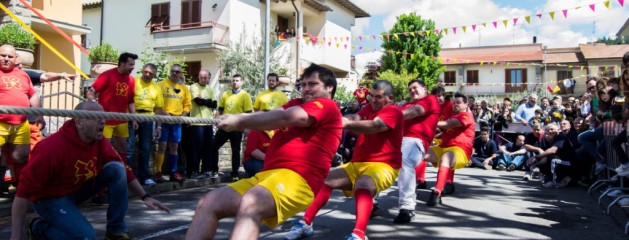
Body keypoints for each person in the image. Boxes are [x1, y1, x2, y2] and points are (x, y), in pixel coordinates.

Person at [185, 64, 342, 240]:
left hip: (299, 178)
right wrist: (236, 117)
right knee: (208, 203)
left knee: (251, 203)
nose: (305, 89)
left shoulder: (327, 105)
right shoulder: (296, 103)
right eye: (303, 84)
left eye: (312, 84)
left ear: (329, 88)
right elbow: (272, 115)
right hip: (268, 175)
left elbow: (287, 117)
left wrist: (239, 122)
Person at [9, 101, 170, 240]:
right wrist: (16, 236)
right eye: (97, 118)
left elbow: (124, 170)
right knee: (85, 237)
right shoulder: (51, 148)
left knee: (116, 168)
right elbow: (22, 194)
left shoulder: (98, 141)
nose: (103, 122)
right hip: (49, 199)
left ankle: (116, 232)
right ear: (79, 122)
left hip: (76, 191)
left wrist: (145, 196)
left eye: (103, 117)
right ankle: (37, 228)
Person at [285, 80, 403, 240]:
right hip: (358, 163)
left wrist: (345, 124)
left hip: (384, 165)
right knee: (326, 180)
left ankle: (359, 234)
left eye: (379, 97)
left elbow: (376, 126)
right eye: (372, 97)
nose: (373, 100)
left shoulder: (394, 111)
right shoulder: (370, 107)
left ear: (390, 98)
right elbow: (356, 116)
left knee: (363, 184)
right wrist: (341, 119)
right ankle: (306, 223)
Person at [393, 80, 440, 224]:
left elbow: (416, 111)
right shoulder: (405, 105)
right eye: (410, 89)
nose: (412, 90)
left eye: (415, 87)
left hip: (416, 141)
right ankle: (372, 203)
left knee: (404, 158)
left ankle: (407, 208)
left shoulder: (430, 99)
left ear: (425, 89)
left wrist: (390, 116)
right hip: (397, 141)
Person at [423, 93, 476, 206]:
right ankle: (411, 186)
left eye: (459, 102)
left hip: (460, 151)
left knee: (445, 158)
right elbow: (442, 131)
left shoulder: (466, 116)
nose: (455, 105)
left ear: (466, 104)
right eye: (454, 102)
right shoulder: (452, 116)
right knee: (419, 152)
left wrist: (431, 122)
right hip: (443, 148)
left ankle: (437, 192)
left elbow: (450, 124)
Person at [87, 52, 138, 163]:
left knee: (122, 149)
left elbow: (131, 101)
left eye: (133, 64)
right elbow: (91, 91)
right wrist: (93, 108)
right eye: (130, 64)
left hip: (122, 120)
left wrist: (134, 118)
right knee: (103, 148)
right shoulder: (107, 75)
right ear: (122, 63)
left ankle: (123, 171)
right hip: (105, 120)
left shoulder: (131, 80)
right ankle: (100, 170)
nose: (133, 67)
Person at [0, 45, 39, 183]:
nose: (6, 59)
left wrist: (39, 114)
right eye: (3, 55)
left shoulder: (23, 74)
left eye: (10, 56)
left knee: (21, 157)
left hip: (21, 123)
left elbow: (32, 94)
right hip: (1, 123)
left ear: (15, 58)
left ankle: (21, 189)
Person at [126, 63, 165, 186]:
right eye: (145, 72)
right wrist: (133, 118)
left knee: (146, 149)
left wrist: (159, 126)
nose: (147, 74)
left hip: (148, 118)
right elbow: (128, 100)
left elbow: (158, 109)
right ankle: (127, 177)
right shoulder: (133, 81)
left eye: (150, 73)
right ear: (142, 71)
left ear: (154, 75)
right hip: (132, 116)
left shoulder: (156, 87)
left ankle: (144, 177)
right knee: (129, 148)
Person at [209, 74, 253, 181]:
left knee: (235, 151)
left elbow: (248, 113)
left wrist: (247, 128)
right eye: (233, 80)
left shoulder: (245, 95)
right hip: (224, 127)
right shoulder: (226, 94)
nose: (235, 82)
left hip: (237, 128)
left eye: (237, 80)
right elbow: (220, 109)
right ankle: (214, 170)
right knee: (214, 147)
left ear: (241, 82)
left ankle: (234, 174)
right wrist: (217, 120)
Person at [155, 64, 191, 182]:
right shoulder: (160, 84)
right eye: (173, 71)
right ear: (169, 72)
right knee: (162, 146)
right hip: (163, 120)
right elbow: (157, 104)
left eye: (177, 72)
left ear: (180, 74)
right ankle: (158, 172)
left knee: (174, 146)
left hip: (176, 120)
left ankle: (173, 172)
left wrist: (183, 116)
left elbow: (187, 104)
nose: (175, 73)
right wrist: (164, 114)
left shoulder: (184, 88)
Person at [187, 69, 217, 179]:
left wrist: (205, 101)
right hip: (196, 122)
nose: (203, 79)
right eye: (201, 77)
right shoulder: (194, 87)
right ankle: (194, 171)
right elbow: (198, 101)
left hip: (208, 122)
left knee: (208, 148)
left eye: (205, 77)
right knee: (196, 148)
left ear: (209, 78)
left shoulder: (210, 89)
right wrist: (207, 101)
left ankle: (206, 170)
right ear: (198, 77)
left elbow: (214, 104)